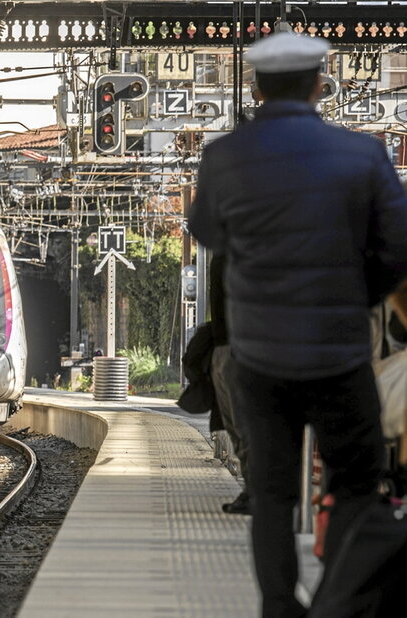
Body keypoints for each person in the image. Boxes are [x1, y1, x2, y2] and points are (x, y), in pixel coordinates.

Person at [189, 31, 407, 617]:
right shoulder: (363, 154)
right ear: (319, 83)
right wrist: (358, 295)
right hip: (341, 355)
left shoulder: (224, 157)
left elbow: (209, 235)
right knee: (357, 484)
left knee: (272, 492)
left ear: (257, 88)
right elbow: (396, 249)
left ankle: (281, 608)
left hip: (260, 358)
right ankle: (341, 598)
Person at [210, 253, 251, 515]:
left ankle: (259, 491)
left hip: (246, 344)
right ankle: (254, 488)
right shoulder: (225, 247)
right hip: (224, 343)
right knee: (235, 424)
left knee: (245, 423)